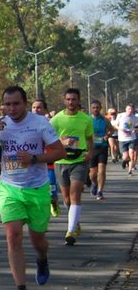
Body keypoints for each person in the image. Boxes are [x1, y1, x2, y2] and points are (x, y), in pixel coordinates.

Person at [0, 86, 65, 290]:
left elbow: (59, 152)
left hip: (37, 188)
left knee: (38, 240)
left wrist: (34, 158)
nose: (12, 108)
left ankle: (42, 259)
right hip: (10, 188)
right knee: (13, 236)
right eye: (7, 104)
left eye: (16, 104)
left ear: (25, 103)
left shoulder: (40, 123)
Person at [50, 88, 94, 246]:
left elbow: (89, 138)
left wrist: (90, 152)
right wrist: (62, 142)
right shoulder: (56, 119)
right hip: (61, 161)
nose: (71, 102)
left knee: (75, 195)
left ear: (79, 101)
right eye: (68, 99)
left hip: (79, 161)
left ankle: (70, 231)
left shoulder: (86, 119)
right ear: (64, 100)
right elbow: (49, 140)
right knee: (67, 198)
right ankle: (75, 221)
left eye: (74, 99)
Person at [31, 99, 60, 217]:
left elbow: (58, 141)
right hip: (34, 163)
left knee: (52, 193)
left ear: (44, 110)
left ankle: (53, 202)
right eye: (34, 107)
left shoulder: (50, 123)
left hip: (49, 162)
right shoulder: (26, 123)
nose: (36, 110)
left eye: (39, 107)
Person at [88, 100, 110, 200]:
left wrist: (107, 135)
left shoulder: (105, 120)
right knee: (93, 174)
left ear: (100, 108)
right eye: (94, 108)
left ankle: (100, 191)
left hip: (102, 147)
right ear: (91, 109)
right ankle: (94, 183)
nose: (95, 109)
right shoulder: (87, 120)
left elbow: (111, 129)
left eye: (97, 107)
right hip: (92, 148)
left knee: (102, 170)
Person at [115, 104, 137, 173]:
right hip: (122, 139)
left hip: (132, 138)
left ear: (133, 110)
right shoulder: (120, 115)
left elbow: (137, 127)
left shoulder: (135, 118)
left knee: (132, 154)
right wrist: (121, 129)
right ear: (126, 109)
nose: (130, 110)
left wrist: (135, 130)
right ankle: (124, 161)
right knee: (125, 157)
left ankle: (130, 170)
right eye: (129, 109)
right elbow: (115, 125)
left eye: (131, 109)